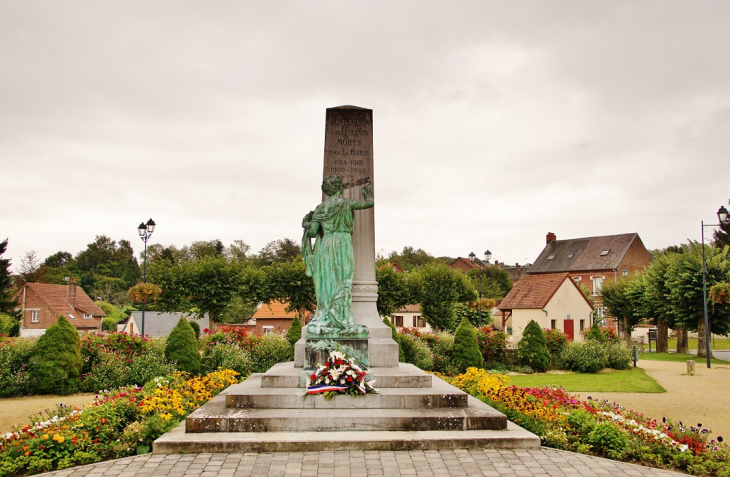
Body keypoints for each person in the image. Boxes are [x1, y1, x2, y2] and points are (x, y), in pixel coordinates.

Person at [301, 175, 373, 337]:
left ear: (326, 191)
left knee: (328, 280)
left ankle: (328, 312)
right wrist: (366, 193)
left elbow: (312, 233)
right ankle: (340, 314)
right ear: (339, 188)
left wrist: (306, 223)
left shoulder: (320, 208)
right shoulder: (346, 203)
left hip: (327, 244)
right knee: (344, 277)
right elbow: (369, 203)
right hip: (343, 241)